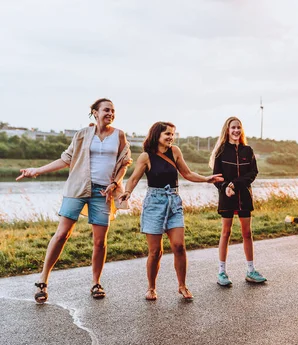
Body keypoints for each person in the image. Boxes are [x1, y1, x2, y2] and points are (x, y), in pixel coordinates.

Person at [16, 98, 132, 303]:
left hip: (102, 193)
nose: (110, 114)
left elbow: (124, 162)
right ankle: (43, 281)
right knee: (62, 234)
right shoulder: (82, 135)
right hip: (77, 188)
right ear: (95, 113)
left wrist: (115, 183)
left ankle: (96, 282)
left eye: (113, 111)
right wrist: (36, 171)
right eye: (106, 110)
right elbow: (65, 159)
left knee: (99, 241)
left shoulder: (119, 135)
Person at [119, 122, 223, 300]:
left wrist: (206, 179)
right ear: (157, 135)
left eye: (173, 134)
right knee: (155, 252)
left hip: (174, 202)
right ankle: (151, 288)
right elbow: (134, 178)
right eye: (167, 134)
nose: (170, 137)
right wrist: (127, 192)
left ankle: (182, 286)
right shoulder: (146, 157)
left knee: (179, 247)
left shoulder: (175, 152)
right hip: (154, 203)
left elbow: (187, 174)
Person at [209, 117, 265, 287]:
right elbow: (217, 178)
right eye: (233, 127)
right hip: (227, 197)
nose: (236, 130)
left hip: (244, 197)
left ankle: (250, 270)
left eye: (238, 127)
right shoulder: (220, 152)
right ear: (227, 130)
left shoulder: (248, 150)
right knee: (225, 233)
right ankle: (222, 272)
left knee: (247, 233)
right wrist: (226, 186)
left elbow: (252, 173)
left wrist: (235, 184)